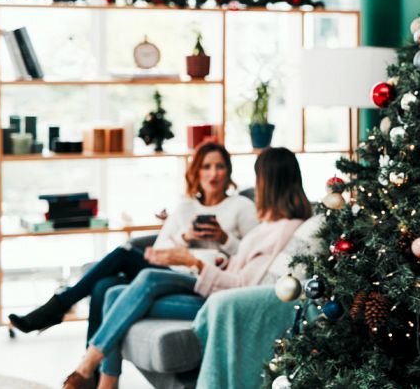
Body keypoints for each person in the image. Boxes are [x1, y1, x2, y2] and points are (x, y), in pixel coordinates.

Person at [61, 147, 313, 389]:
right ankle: (107, 381)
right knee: (114, 292)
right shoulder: (269, 226)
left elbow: (242, 286)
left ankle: (88, 367)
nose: (256, 188)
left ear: (269, 183)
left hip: (218, 300)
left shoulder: (282, 231)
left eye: (259, 180)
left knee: (135, 281)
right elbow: (239, 269)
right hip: (211, 284)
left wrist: (193, 262)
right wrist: (216, 259)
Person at [9, 142, 257, 341]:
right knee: (103, 284)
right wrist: (186, 238)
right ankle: (93, 376)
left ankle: (59, 306)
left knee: (125, 252)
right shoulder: (185, 207)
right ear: (197, 172)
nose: (213, 174)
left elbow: (252, 256)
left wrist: (224, 239)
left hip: (203, 279)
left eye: (219, 167)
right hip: (169, 271)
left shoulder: (241, 206)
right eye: (206, 167)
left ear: (229, 172)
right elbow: (158, 252)